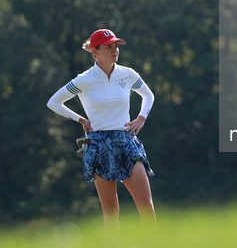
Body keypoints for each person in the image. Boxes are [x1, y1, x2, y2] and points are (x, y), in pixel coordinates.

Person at [47, 29, 156, 228]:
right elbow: (54, 102)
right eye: (109, 47)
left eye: (116, 47)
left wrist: (141, 118)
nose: (115, 51)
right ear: (94, 51)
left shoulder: (128, 74)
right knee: (111, 211)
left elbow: (148, 95)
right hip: (98, 144)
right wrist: (80, 119)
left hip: (127, 140)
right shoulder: (84, 79)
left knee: (146, 206)